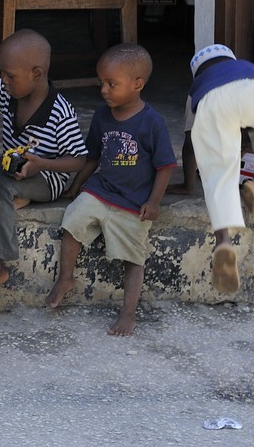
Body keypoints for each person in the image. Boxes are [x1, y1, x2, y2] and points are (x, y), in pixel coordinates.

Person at [45, 43, 175, 336]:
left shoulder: (152, 123)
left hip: (133, 202)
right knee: (73, 220)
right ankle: (65, 277)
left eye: (111, 83)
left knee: (133, 257)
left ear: (137, 84)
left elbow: (165, 166)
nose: (103, 90)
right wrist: (76, 186)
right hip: (101, 191)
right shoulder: (103, 115)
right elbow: (92, 157)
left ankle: (128, 312)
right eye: (101, 82)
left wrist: (154, 201)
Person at [0, 29, 88, 299]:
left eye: (10, 76)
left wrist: (41, 164)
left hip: (47, 176)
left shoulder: (60, 112)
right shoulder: (5, 92)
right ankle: (11, 197)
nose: (3, 81)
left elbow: (78, 159)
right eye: (2, 74)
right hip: (11, 168)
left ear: (37, 74)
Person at [173, 44, 254, 294]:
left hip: (214, 102)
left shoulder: (200, 88)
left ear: (198, 71)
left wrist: (188, 184)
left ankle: (223, 242)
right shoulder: (248, 69)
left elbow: (190, 143)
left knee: (219, 174)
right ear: (230, 59)